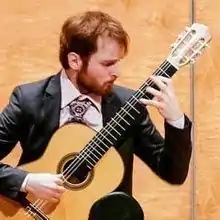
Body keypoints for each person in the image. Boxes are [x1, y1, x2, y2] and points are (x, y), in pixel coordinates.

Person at [0, 10, 192, 214]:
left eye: (117, 62)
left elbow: (173, 173)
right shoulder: (30, 99)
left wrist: (175, 120)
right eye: (107, 64)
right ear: (75, 61)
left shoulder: (127, 106)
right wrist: (27, 181)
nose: (117, 72)